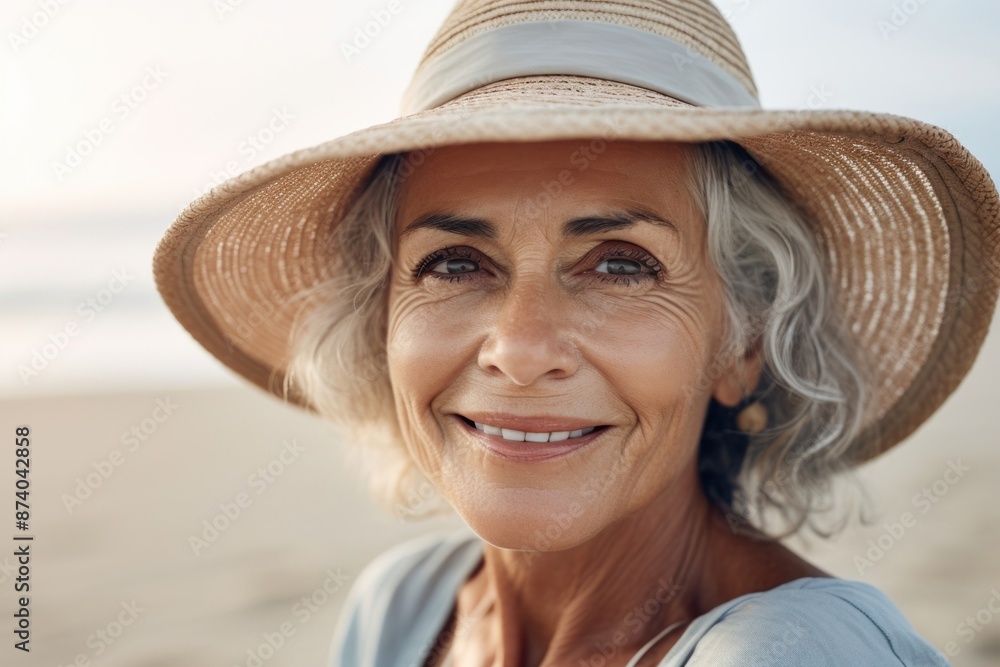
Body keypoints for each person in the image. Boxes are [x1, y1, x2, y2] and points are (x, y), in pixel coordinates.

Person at [152, 0, 999, 664]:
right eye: (453, 264)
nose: (519, 349)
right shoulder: (402, 609)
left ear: (742, 341)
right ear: (380, 322)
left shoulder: (790, 653)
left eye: (621, 264)